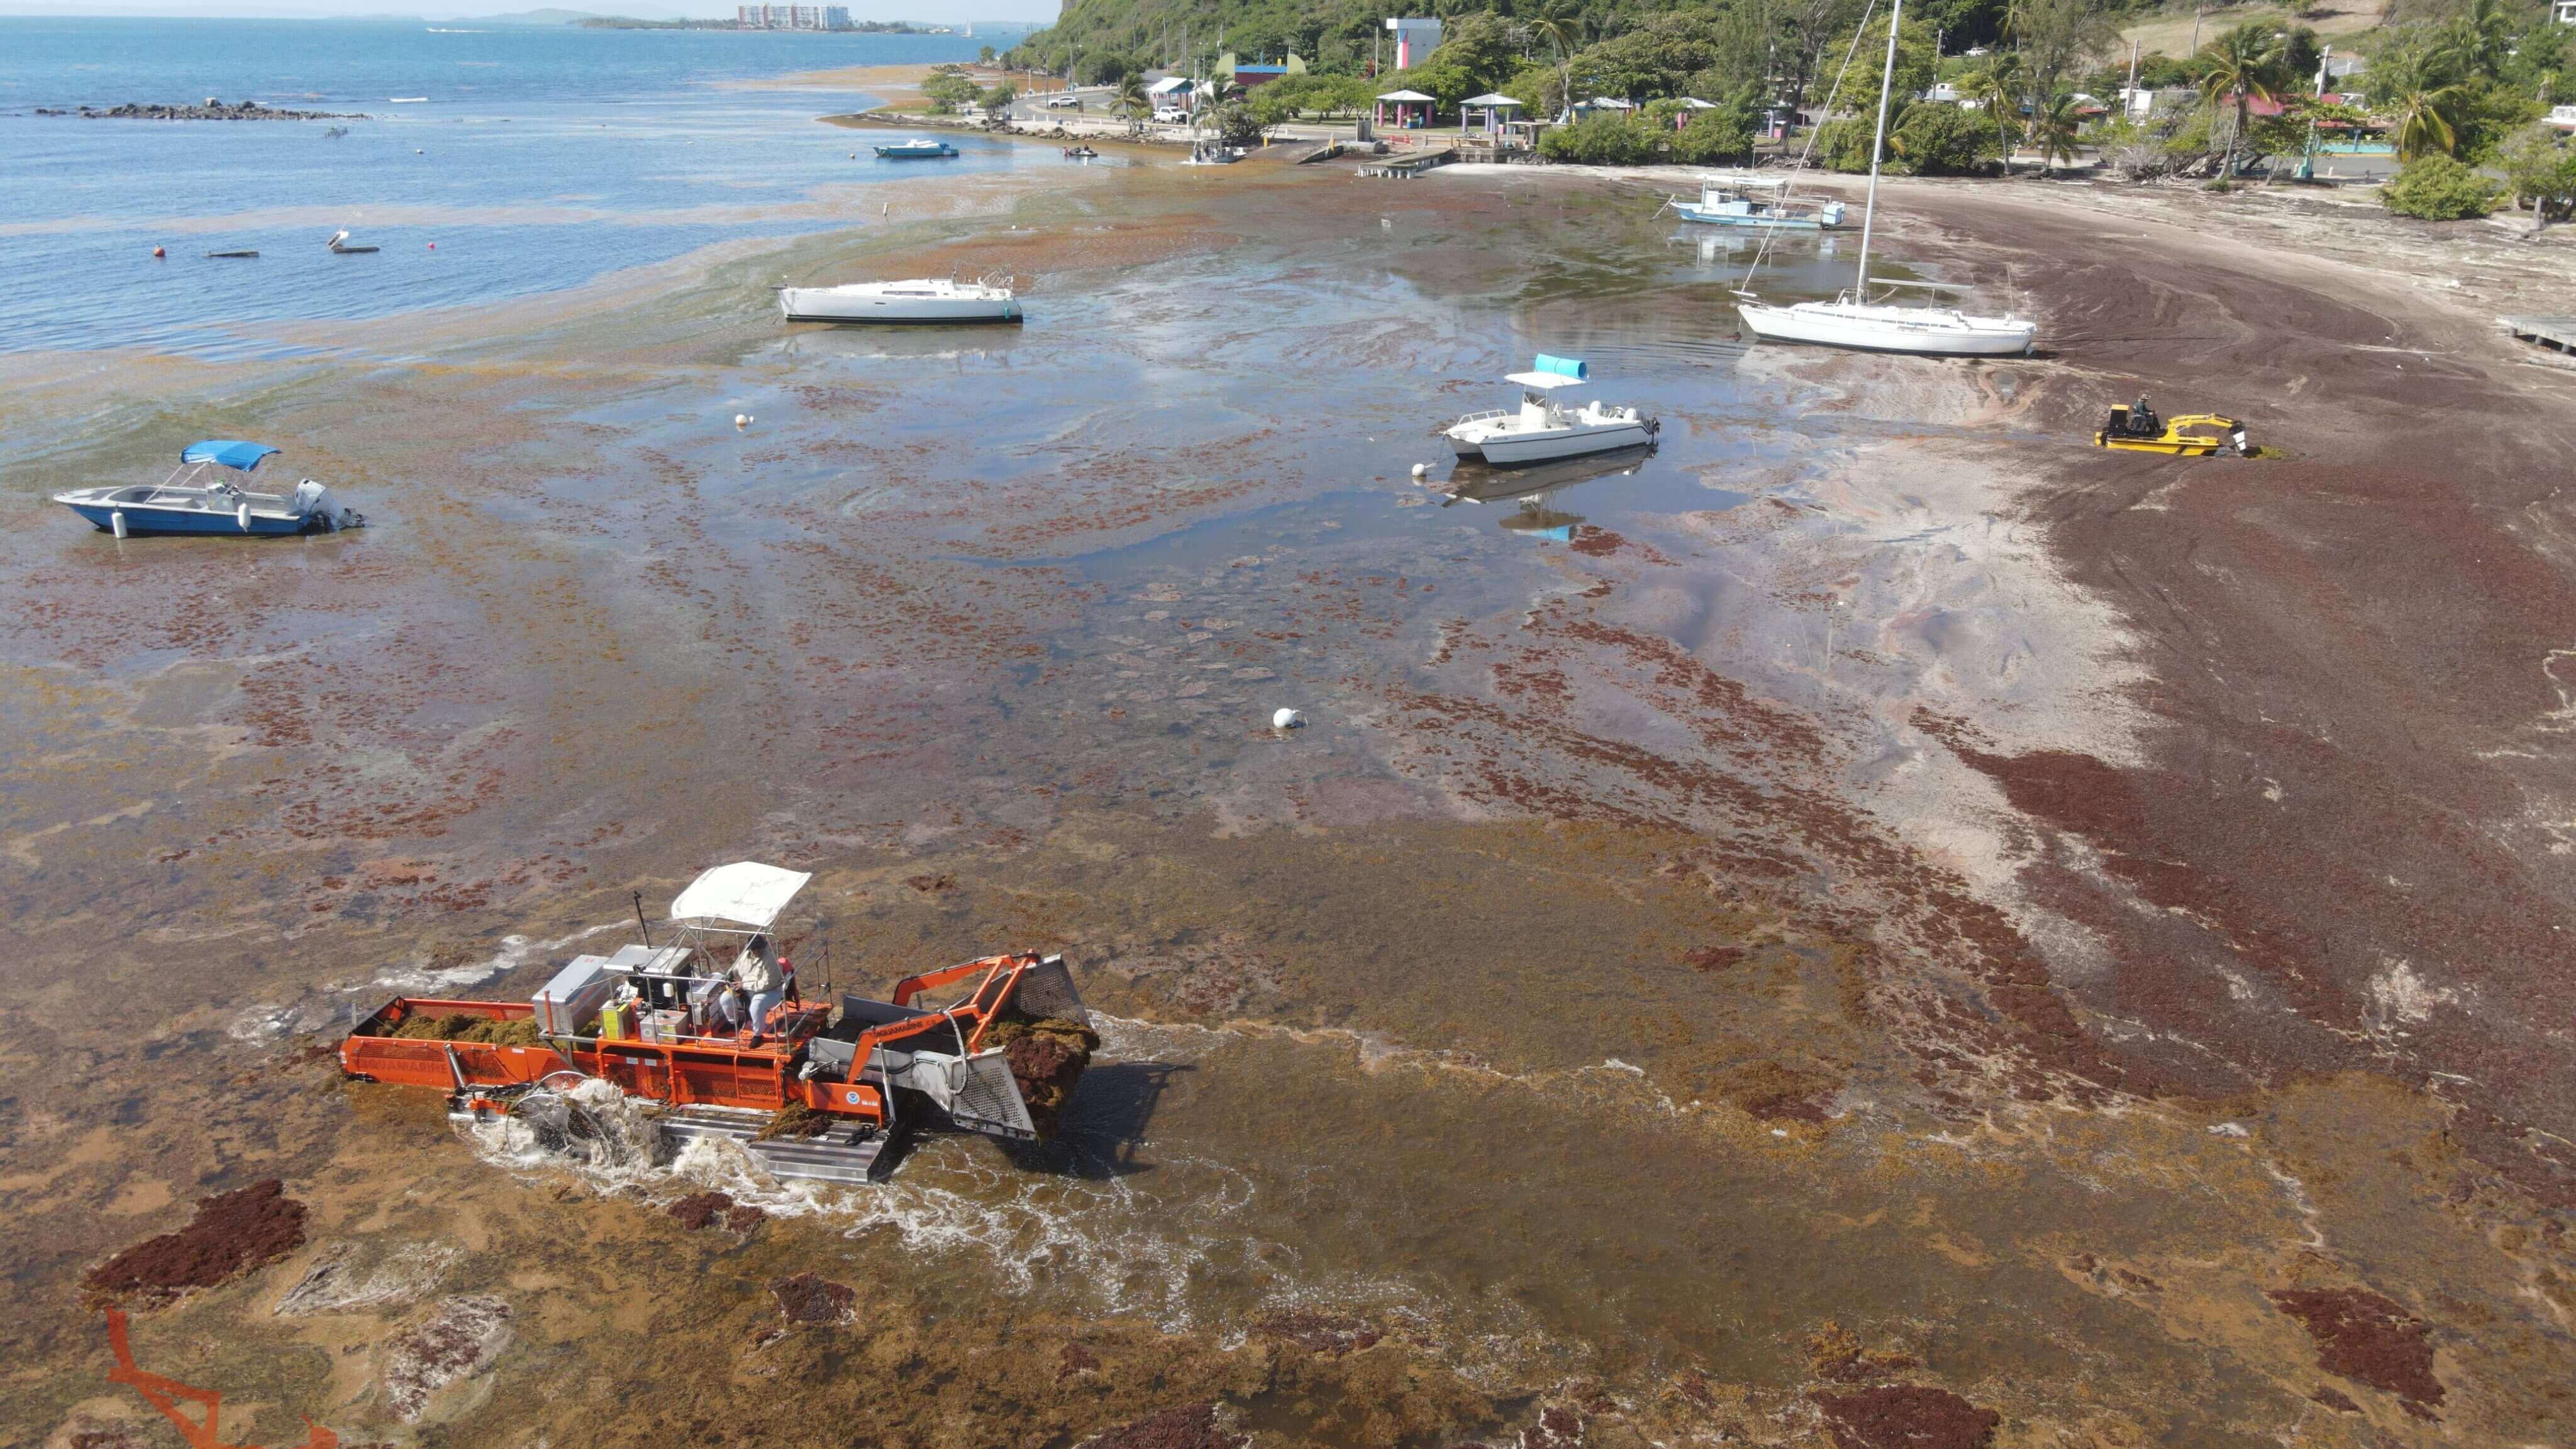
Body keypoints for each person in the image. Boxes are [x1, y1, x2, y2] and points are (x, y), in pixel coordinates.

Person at [733, 935, 784, 1041]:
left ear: (763, 947)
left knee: (757, 1005)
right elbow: (736, 970)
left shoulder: (770, 960)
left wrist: (744, 985)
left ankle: (758, 1035)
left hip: (770, 992)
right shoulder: (745, 957)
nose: (756, 950)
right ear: (749, 948)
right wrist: (731, 979)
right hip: (746, 989)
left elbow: (767, 984)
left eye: (759, 948)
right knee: (726, 998)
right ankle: (734, 1023)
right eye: (753, 948)